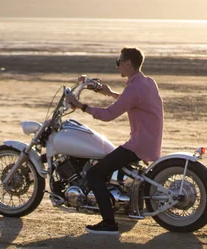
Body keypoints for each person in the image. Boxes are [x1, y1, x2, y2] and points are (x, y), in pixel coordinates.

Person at [65, 47, 164, 235]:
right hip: (149, 141)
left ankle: (109, 223)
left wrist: (80, 106)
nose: (117, 66)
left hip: (139, 145)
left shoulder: (135, 88)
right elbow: (132, 100)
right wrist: (109, 93)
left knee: (94, 174)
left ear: (128, 63)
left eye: (118, 62)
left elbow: (109, 114)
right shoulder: (147, 83)